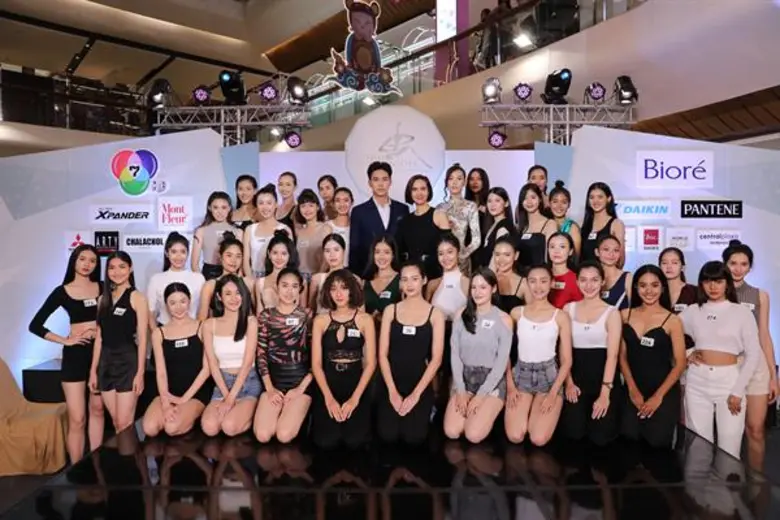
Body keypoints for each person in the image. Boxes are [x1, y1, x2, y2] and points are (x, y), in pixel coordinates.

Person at [28, 244, 104, 462]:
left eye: (92, 261)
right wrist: (65, 340)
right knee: (77, 418)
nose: (87, 264)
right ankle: (76, 467)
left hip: (100, 353)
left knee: (98, 411)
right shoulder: (62, 291)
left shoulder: (103, 287)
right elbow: (35, 325)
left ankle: (97, 465)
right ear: (74, 261)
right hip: (75, 356)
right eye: (83, 259)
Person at [680, 261, 762, 459]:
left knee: (729, 448)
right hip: (697, 381)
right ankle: (698, 481)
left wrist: (738, 390)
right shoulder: (692, 311)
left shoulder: (741, 313)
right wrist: (687, 353)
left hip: (729, 381)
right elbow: (667, 332)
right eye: (707, 281)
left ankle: (727, 482)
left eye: (718, 281)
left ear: (727, 283)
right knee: (698, 447)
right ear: (701, 284)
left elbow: (753, 354)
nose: (713, 286)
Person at [722, 240, 777, 471]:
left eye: (743, 264)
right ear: (725, 264)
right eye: (733, 263)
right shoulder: (714, 293)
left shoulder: (760, 295)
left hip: (756, 366)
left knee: (755, 429)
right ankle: (726, 481)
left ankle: (756, 480)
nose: (738, 269)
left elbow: (764, 335)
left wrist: (773, 375)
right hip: (726, 366)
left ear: (750, 267)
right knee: (728, 432)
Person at [377, 262, 445, 444]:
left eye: (414, 279)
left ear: (424, 280)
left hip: (419, 382)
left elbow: (436, 359)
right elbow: (382, 355)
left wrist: (416, 395)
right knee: (387, 435)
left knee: (414, 438)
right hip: (391, 380)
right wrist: (392, 392)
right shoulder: (390, 310)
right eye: (404, 279)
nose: (409, 284)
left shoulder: (435, 314)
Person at [619, 265, 686, 448]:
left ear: (662, 288)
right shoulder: (624, 315)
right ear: (636, 288)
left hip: (663, 391)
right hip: (632, 389)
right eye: (643, 285)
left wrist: (658, 397)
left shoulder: (673, 320)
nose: (649, 291)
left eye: (654, 285)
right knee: (628, 443)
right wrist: (632, 389)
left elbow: (680, 363)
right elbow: (621, 356)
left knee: (657, 446)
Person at [505, 265, 572, 446]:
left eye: (543, 281)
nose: (538, 286)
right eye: (533, 281)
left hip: (549, 378)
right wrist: (510, 386)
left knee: (538, 438)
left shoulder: (560, 316)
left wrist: (553, 393)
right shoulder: (516, 313)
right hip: (521, 376)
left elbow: (566, 361)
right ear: (527, 283)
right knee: (515, 436)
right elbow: (505, 352)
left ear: (551, 283)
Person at [444, 267, 513, 443]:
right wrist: (460, 391)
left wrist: (480, 396)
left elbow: (501, 364)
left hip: (491, 382)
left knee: (473, 435)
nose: (477, 292)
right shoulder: (461, 315)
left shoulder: (504, 319)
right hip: (465, 379)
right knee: (452, 431)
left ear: (493, 288)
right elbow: (455, 355)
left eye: (483, 287)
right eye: (474, 287)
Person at [311, 269, 377, 448]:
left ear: (352, 290)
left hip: (355, 383)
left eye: (344, 287)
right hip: (328, 383)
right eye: (333, 288)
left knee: (355, 440)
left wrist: (355, 399)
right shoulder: (320, 321)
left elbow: (371, 363)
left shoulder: (365, 320)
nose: (338, 293)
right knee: (325, 441)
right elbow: (316, 364)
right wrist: (329, 398)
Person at [560, 261, 622, 446]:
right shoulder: (568, 309)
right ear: (577, 282)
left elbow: (612, 356)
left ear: (602, 282)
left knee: (600, 438)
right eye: (584, 280)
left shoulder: (612, 313)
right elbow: (563, 351)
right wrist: (568, 383)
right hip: (575, 381)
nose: (589, 285)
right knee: (574, 434)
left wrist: (605, 393)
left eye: (594, 280)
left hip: (603, 381)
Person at [89, 251, 148, 432]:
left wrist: (140, 373)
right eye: (112, 268)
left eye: (122, 267)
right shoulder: (102, 299)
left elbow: (143, 338)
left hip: (127, 363)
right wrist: (93, 371)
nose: (117, 272)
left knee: (124, 423)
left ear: (130, 269)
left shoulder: (137, 298)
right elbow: (99, 338)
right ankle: (126, 452)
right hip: (105, 364)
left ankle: (131, 451)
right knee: (116, 422)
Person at [142, 283, 212, 437]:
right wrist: (166, 403)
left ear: (189, 301)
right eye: (173, 303)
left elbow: (207, 369)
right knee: (149, 428)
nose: (178, 307)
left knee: (171, 427)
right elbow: (161, 372)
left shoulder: (202, 327)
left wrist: (183, 399)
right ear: (166, 305)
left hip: (196, 392)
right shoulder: (159, 333)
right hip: (169, 392)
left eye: (182, 301)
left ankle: (191, 418)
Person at [254, 268, 313, 443]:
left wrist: (300, 388)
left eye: (294, 286)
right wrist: (270, 388)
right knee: (263, 435)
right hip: (274, 381)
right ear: (276, 287)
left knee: (284, 435)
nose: (289, 291)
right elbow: (261, 354)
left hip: (300, 380)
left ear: (300, 289)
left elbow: (316, 358)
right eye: (285, 285)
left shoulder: (307, 315)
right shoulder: (266, 316)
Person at [201, 274, 260, 436]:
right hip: (222, 384)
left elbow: (248, 363)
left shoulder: (251, 322)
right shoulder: (209, 325)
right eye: (228, 293)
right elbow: (213, 364)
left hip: (247, 382)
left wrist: (231, 398)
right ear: (219, 297)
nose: (234, 298)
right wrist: (227, 396)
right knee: (210, 428)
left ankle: (251, 413)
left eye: (237, 293)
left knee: (229, 426)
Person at [349, 161, 408, 272]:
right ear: (370, 183)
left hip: (397, 271)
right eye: (376, 180)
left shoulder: (402, 209)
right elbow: (354, 248)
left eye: (384, 179)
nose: (380, 184)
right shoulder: (359, 211)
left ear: (390, 182)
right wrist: (355, 275)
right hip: (368, 271)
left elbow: (405, 245)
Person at [396, 174, 450, 279]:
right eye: (414, 189)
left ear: (428, 191)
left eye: (423, 189)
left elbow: (449, 247)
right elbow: (399, 252)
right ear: (409, 192)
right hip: (412, 278)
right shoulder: (404, 221)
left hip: (436, 275)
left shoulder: (439, 215)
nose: (419, 193)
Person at [146, 232, 205, 326]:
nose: (178, 256)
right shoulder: (156, 279)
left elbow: (203, 310)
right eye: (174, 252)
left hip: (192, 329)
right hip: (164, 329)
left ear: (188, 253)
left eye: (183, 252)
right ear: (167, 253)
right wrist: (157, 333)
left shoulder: (199, 278)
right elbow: (150, 313)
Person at [198, 232, 254, 319]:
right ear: (220, 257)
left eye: (238, 256)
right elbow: (202, 318)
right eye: (229, 255)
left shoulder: (249, 283)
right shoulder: (210, 285)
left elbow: (253, 314)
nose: (233, 260)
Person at [437, 163, 481, 275]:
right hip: (443, 261)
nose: (454, 182)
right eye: (451, 178)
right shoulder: (440, 208)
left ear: (464, 182)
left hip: (462, 260)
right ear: (446, 182)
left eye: (459, 178)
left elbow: (476, 239)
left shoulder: (471, 206)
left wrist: (462, 255)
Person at [242, 183, 293, 278]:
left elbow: (289, 259)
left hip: (278, 278)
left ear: (276, 204)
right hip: (254, 277)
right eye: (261, 203)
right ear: (257, 205)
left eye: (269, 203)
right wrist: (251, 281)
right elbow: (245, 260)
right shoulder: (250, 229)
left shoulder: (285, 229)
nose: (265, 207)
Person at [191, 191, 236, 280]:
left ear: (229, 208)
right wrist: (203, 282)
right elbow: (194, 264)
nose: (220, 212)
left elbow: (241, 261)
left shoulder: (238, 232)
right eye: (215, 207)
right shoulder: (201, 231)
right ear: (209, 208)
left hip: (231, 275)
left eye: (224, 207)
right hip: (208, 275)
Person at [309, 234, 358, 314]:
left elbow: (360, 310)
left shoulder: (355, 279)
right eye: (327, 251)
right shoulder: (316, 279)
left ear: (344, 251)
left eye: (336, 250)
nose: (332, 255)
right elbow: (311, 310)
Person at [579, 182, 625, 265]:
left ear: (608, 199)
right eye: (592, 197)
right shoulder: (583, 224)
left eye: (600, 197)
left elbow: (620, 259)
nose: (595, 201)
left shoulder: (616, 224)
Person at [294, 188, 333, 284]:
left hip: (318, 276)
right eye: (303, 206)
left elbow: (327, 257)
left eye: (311, 205)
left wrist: (317, 277)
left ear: (317, 207)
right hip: (300, 279)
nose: (307, 210)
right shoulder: (299, 231)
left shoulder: (326, 228)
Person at [255, 231, 301, 311]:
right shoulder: (260, 283)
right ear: (269, 254)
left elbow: (302, 312)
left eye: (284, 253)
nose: (279, 258)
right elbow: (259, 312)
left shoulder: (299, 281)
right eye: (275, 253)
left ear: (289, 255)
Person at [515, 183, 556, 270]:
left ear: (540, 199)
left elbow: (550, 256)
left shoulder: (549, 224)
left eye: (533, 197)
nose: (529, 202)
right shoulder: (521, 227)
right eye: (525, 198)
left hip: (540, 274)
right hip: (520, 274)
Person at [363, 235, 402, 320]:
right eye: (377, 252)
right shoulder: (364, 282)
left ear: (393, 255)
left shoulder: (401, 280)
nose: (381, 257)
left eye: (386, 252)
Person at [476, 187, 514, 270]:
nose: (492, 205)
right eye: (489, 201)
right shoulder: (493, 224)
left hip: (492, 274)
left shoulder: (504, 227)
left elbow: (496, 259)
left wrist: (489, 276)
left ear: (506, 203)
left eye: (497, 200)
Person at [492, 237, 528, 313]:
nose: (501, 259)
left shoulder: (524, 283)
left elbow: (532, 312)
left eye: (507, 255)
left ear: (516, 255)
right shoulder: (487, 280)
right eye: (497, 254)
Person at [596, 235, 632, 310]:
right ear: (597, 252)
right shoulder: (591, 277)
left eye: (616, 250)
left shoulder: (628, 277)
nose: (611, 254)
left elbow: (634, 310)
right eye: (606, 249)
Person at [548, 232, 582, 309]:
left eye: (562, 247)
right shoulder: (541, 276)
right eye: (552, 247)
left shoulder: (577, 280)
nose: (556, 251)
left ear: (570, 251)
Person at [658, 247, 697, 313]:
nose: (669, 267)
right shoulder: (656, 293)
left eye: (674, 263)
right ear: (659, 267)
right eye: (664, 263)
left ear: (682, 267)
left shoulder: (695, 292)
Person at [548, 180, 581, 257]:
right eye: (555, 201)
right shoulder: (545, 224)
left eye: (564, 202)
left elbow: (576, 256)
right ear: (549, 203)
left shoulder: (572, 227)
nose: (559, 206)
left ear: (569, 205)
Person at [328, 187, 353, 267]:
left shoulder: (357, 226)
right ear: (333, 204)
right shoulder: (327, 226)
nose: (342, 204)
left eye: (346, 200)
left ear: (352, 202)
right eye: (338, 200)